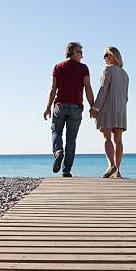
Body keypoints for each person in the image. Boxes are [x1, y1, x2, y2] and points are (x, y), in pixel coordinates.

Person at [43, 42, 95, 177]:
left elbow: (53, 89)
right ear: (72, 52)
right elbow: (88, 88)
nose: (82, 56)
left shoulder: (58, 67)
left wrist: (48, 107)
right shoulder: (83, 68)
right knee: (71, 140)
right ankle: (66, 171)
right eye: (80, 52)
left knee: (56, 132)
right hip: (75, 107)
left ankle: (58, 151)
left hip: (59, 106)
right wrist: (92, 106)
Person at [89, 46, 129, 178]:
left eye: (106, 55)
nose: (104, 58)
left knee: (107, 138)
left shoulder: (108, 69)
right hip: (121, 110)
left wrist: (95, 108)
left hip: (107, 108)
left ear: (112, 56)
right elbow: (126, 96)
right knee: (118, 140)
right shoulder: (125, 74)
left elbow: (103, 89)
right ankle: (117, 171)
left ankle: (111, 165)